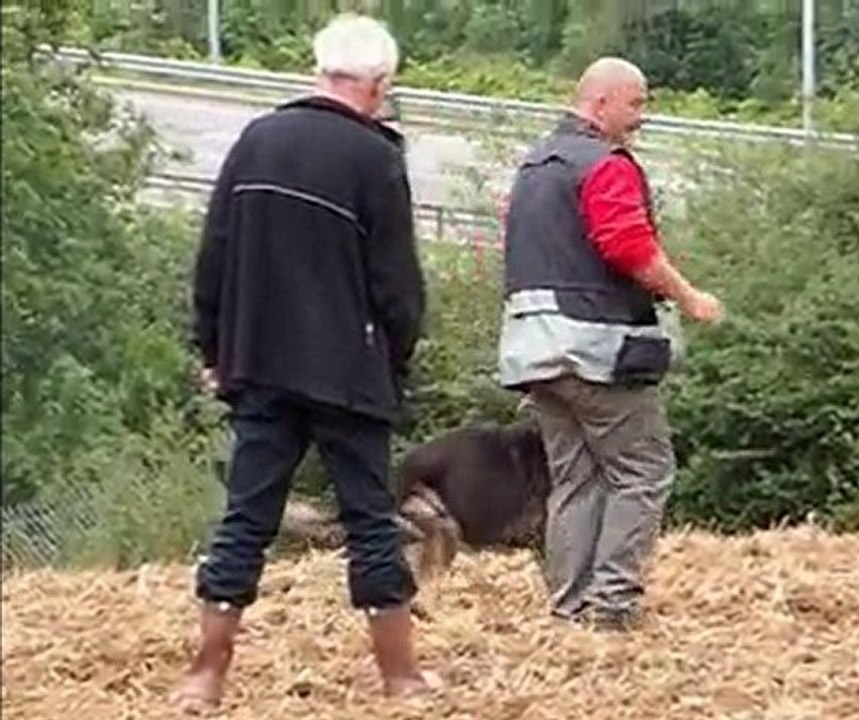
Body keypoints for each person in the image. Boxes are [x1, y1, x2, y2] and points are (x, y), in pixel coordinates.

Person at [171, 13, 438, 709]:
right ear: (379, 85)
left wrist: (214, 347)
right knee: (370, 522)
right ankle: (401, 680)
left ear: (319, 71)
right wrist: (397, 362)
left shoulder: (258, 140)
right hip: (347, 371)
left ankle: (205, 675)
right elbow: (397, 287)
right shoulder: (376, 158)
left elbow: (214, 256)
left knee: (246, 518)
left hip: (258, 362)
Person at [498, 57, 723, 630]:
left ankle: (569, 609)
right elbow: (627, 247)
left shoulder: (534, 164)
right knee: (643, 469)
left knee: (575, 478)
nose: (641, 116)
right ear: (601, 103)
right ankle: (613, 608)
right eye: (636, 103)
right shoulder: (605, 164)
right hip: (593, 346)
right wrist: (689, 296)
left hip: (530, 346)